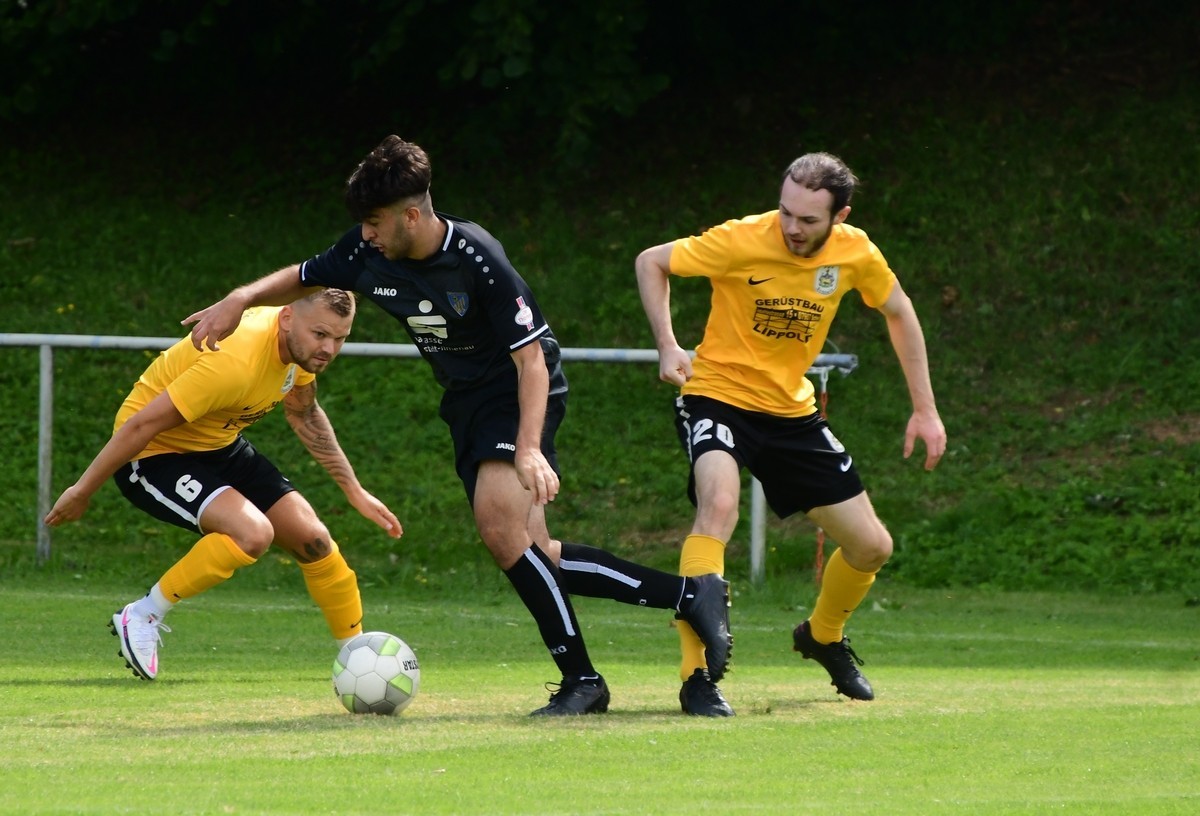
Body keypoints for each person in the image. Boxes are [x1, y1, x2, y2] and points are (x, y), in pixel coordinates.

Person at [182, 135, 732, 716]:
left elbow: (531, 360)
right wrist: (239, 299)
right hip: (466, 402)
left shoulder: (477, 258)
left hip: (515, 391)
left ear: (411, 215)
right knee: (538, 551)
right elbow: (302, 274)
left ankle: (583, 681)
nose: (365, 234)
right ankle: (688, 595)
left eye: (374, 221)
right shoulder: (366, 252)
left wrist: (527, 448)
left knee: (500, 531)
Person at [635, 151, 946, 716]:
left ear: (839, 215)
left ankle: (822, 636)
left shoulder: (856, 252)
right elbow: (651, 261)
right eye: (786, 213)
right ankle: (697, 677)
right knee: (719, 504)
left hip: (790, 413)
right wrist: (668, 344)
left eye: (808, 220)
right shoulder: (741, 239)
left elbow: (899, 312)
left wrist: (924, 410)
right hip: (717, 394)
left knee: (873, 546)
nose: (792, 228)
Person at [45, 289, 403, 680]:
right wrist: (82, 490)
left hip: (219, 445)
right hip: (151, 452)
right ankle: (143, 614)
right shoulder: (235, 360)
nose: (329, 348)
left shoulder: (301, 351)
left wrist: (354, 491)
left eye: (340, 338)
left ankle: (357, 657)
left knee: (314, 541)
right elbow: (141, 426)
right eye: (320, 335)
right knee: (252, 534)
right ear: (286, 318)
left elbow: (305, 413)